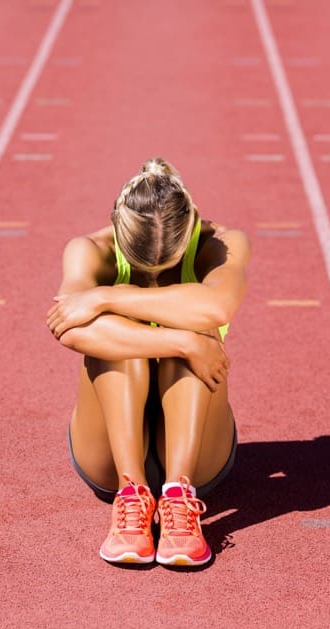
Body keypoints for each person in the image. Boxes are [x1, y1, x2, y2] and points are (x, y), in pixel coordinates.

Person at [46, 157, 250, 567]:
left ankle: (178, 497)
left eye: (169, 266)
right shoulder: (88, 251)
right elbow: (67, 328)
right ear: (120, 233)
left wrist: (105, 298)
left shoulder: (222, 243)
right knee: (125, 345)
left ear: (190, 228)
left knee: (200, 332)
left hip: (197, 449)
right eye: (141, 268)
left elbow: (217, 306)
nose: (155, 276)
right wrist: (179, 340)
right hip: (109, 446)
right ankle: (131, 497)